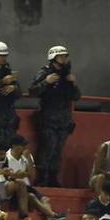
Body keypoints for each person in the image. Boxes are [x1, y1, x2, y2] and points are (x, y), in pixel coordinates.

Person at [28, 46, 80, 187]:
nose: (64, 59)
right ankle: (42, 178)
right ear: (53, 57)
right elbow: (32, 90)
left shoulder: (67, 74)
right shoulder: (45, 72)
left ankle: (53, 177)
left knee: (58, 149)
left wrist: (73, 84)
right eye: (61, 56)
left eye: (65, 56)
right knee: (47, 148)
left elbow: (76, 97)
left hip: (63, 119)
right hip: (48, 118)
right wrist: (46, 82)